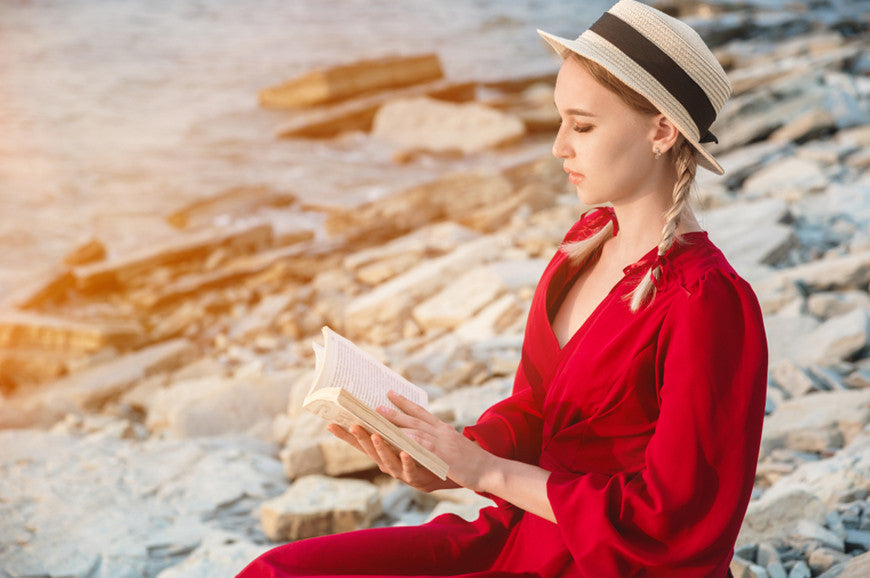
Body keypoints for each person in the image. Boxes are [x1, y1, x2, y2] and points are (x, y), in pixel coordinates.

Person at [237, 0, 767, 576]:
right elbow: (539, 408)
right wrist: (445, 454)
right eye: (560, 119)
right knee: (277, 571)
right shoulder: (584, 244)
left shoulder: (707, 302)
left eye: (582, 125)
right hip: (519, 533)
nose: (559, 146)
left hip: (604, 562)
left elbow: (674, 520)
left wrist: (484, 473)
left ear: (662, 130)